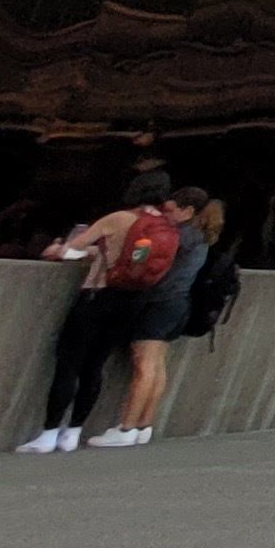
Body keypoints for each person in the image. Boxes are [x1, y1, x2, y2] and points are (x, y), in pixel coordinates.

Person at [19, 172, 182, 456]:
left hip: (98, 296)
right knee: (95, 366)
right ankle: (74, 431)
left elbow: (71, 249)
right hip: (132, 300)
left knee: (69, 364)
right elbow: (134, 260)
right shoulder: (163, 226)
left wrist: (57, 249)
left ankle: (48, 434)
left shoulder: (117, 218)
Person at [95, 188, 221, 449]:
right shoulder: (199, 237)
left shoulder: (176, 236)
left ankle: (127, 426)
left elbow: (142, 253)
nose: (167, 214)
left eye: (171, 209)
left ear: (187, 211)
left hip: (158, 302)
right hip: (178, 304)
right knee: (157, 364)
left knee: (144, 365)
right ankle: (144, 424)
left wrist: (134, 252)